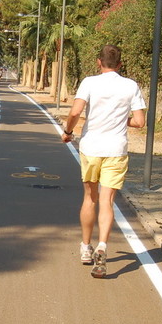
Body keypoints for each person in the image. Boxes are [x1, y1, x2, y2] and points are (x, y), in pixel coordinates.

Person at [62, 44, 146, 278]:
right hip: (116, 150)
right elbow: (139, 122)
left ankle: (86, 248)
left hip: (91, 148)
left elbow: (76, 111)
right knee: (107, 202)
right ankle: (102, 247)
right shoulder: (131, 86)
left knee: (90, 198)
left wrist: (68, 131)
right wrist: (121, 121)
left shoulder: (89, 82)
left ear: (99, 62)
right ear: (120, 64)